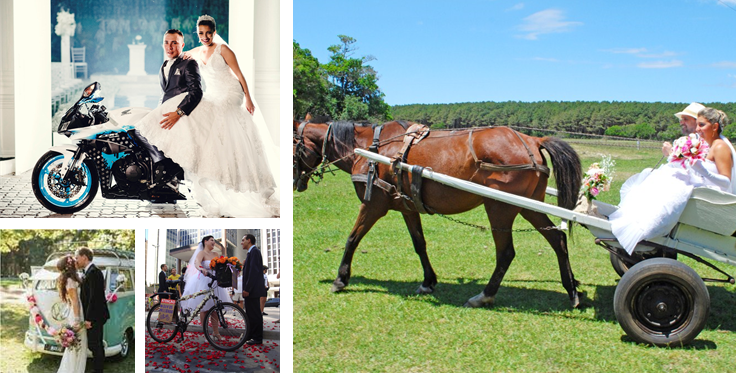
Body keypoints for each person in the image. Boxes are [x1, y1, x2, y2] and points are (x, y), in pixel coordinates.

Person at [135, 15, 279, 218]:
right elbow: (180, 53)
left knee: (220, 124)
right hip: (213, 94)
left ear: (214, 31)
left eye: (208, 33)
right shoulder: (195, 52)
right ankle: (212, 175)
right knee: (207, 124)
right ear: (197, 33)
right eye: (201, 33)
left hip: (230, 92)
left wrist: (248, 98)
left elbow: (239, 74)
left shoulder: (224, 50)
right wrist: (181, 52)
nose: (205, 37)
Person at [610, 107, 736, 254]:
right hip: (704, 187)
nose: (698, 129)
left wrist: (703, 171)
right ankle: (635, 216)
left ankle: (648, 224)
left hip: (712, 195)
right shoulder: (708, 144)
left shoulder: (720, 146)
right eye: (697, 125)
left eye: (702, 125)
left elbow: (726, 182)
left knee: (673, 182)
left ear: (714, 127)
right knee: (665, 175)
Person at [180, 236, 232, 339]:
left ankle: (216, 332)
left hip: (215, 281)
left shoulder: (216, 254)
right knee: (204, 309)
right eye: (212, 240)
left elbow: (221, 266)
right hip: (204, 280)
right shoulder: (201, 253)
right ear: (206, 241)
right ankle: (206, 332)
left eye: (214, 240)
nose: (214, 242)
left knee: (215, 308)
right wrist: (201, 269)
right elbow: (197, 263)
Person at [75, 247, 109, 373]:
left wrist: (89, 319)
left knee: (95, 344)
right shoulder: (88, 272)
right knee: (95, 344)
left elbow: (94, 298)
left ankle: (98, 370)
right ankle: (98, 368)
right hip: (94, 315)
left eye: (77, 257)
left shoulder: (94, 272)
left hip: (95, 316)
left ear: (84, 257)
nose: (76, 260)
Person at [56, 255, 87, 373]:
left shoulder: (72, 278)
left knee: (77, 344)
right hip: (76, 313)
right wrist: (77, 320)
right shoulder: (70, 280)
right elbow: (75, 301)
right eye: (74, 261)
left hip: (77, 311)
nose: (77, 262)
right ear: (70, 265)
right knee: (78, 345)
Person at [242, 234, 266, 345]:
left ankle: (257, 338)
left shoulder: (255, 252)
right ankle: (251, 335)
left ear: (249, 240)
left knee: (255, 314)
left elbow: (254, 272)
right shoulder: (251, 253)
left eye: (243, 240)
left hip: (252, 290)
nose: (242, 242)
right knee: (250, 314)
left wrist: (247, 289)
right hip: (251, 290)